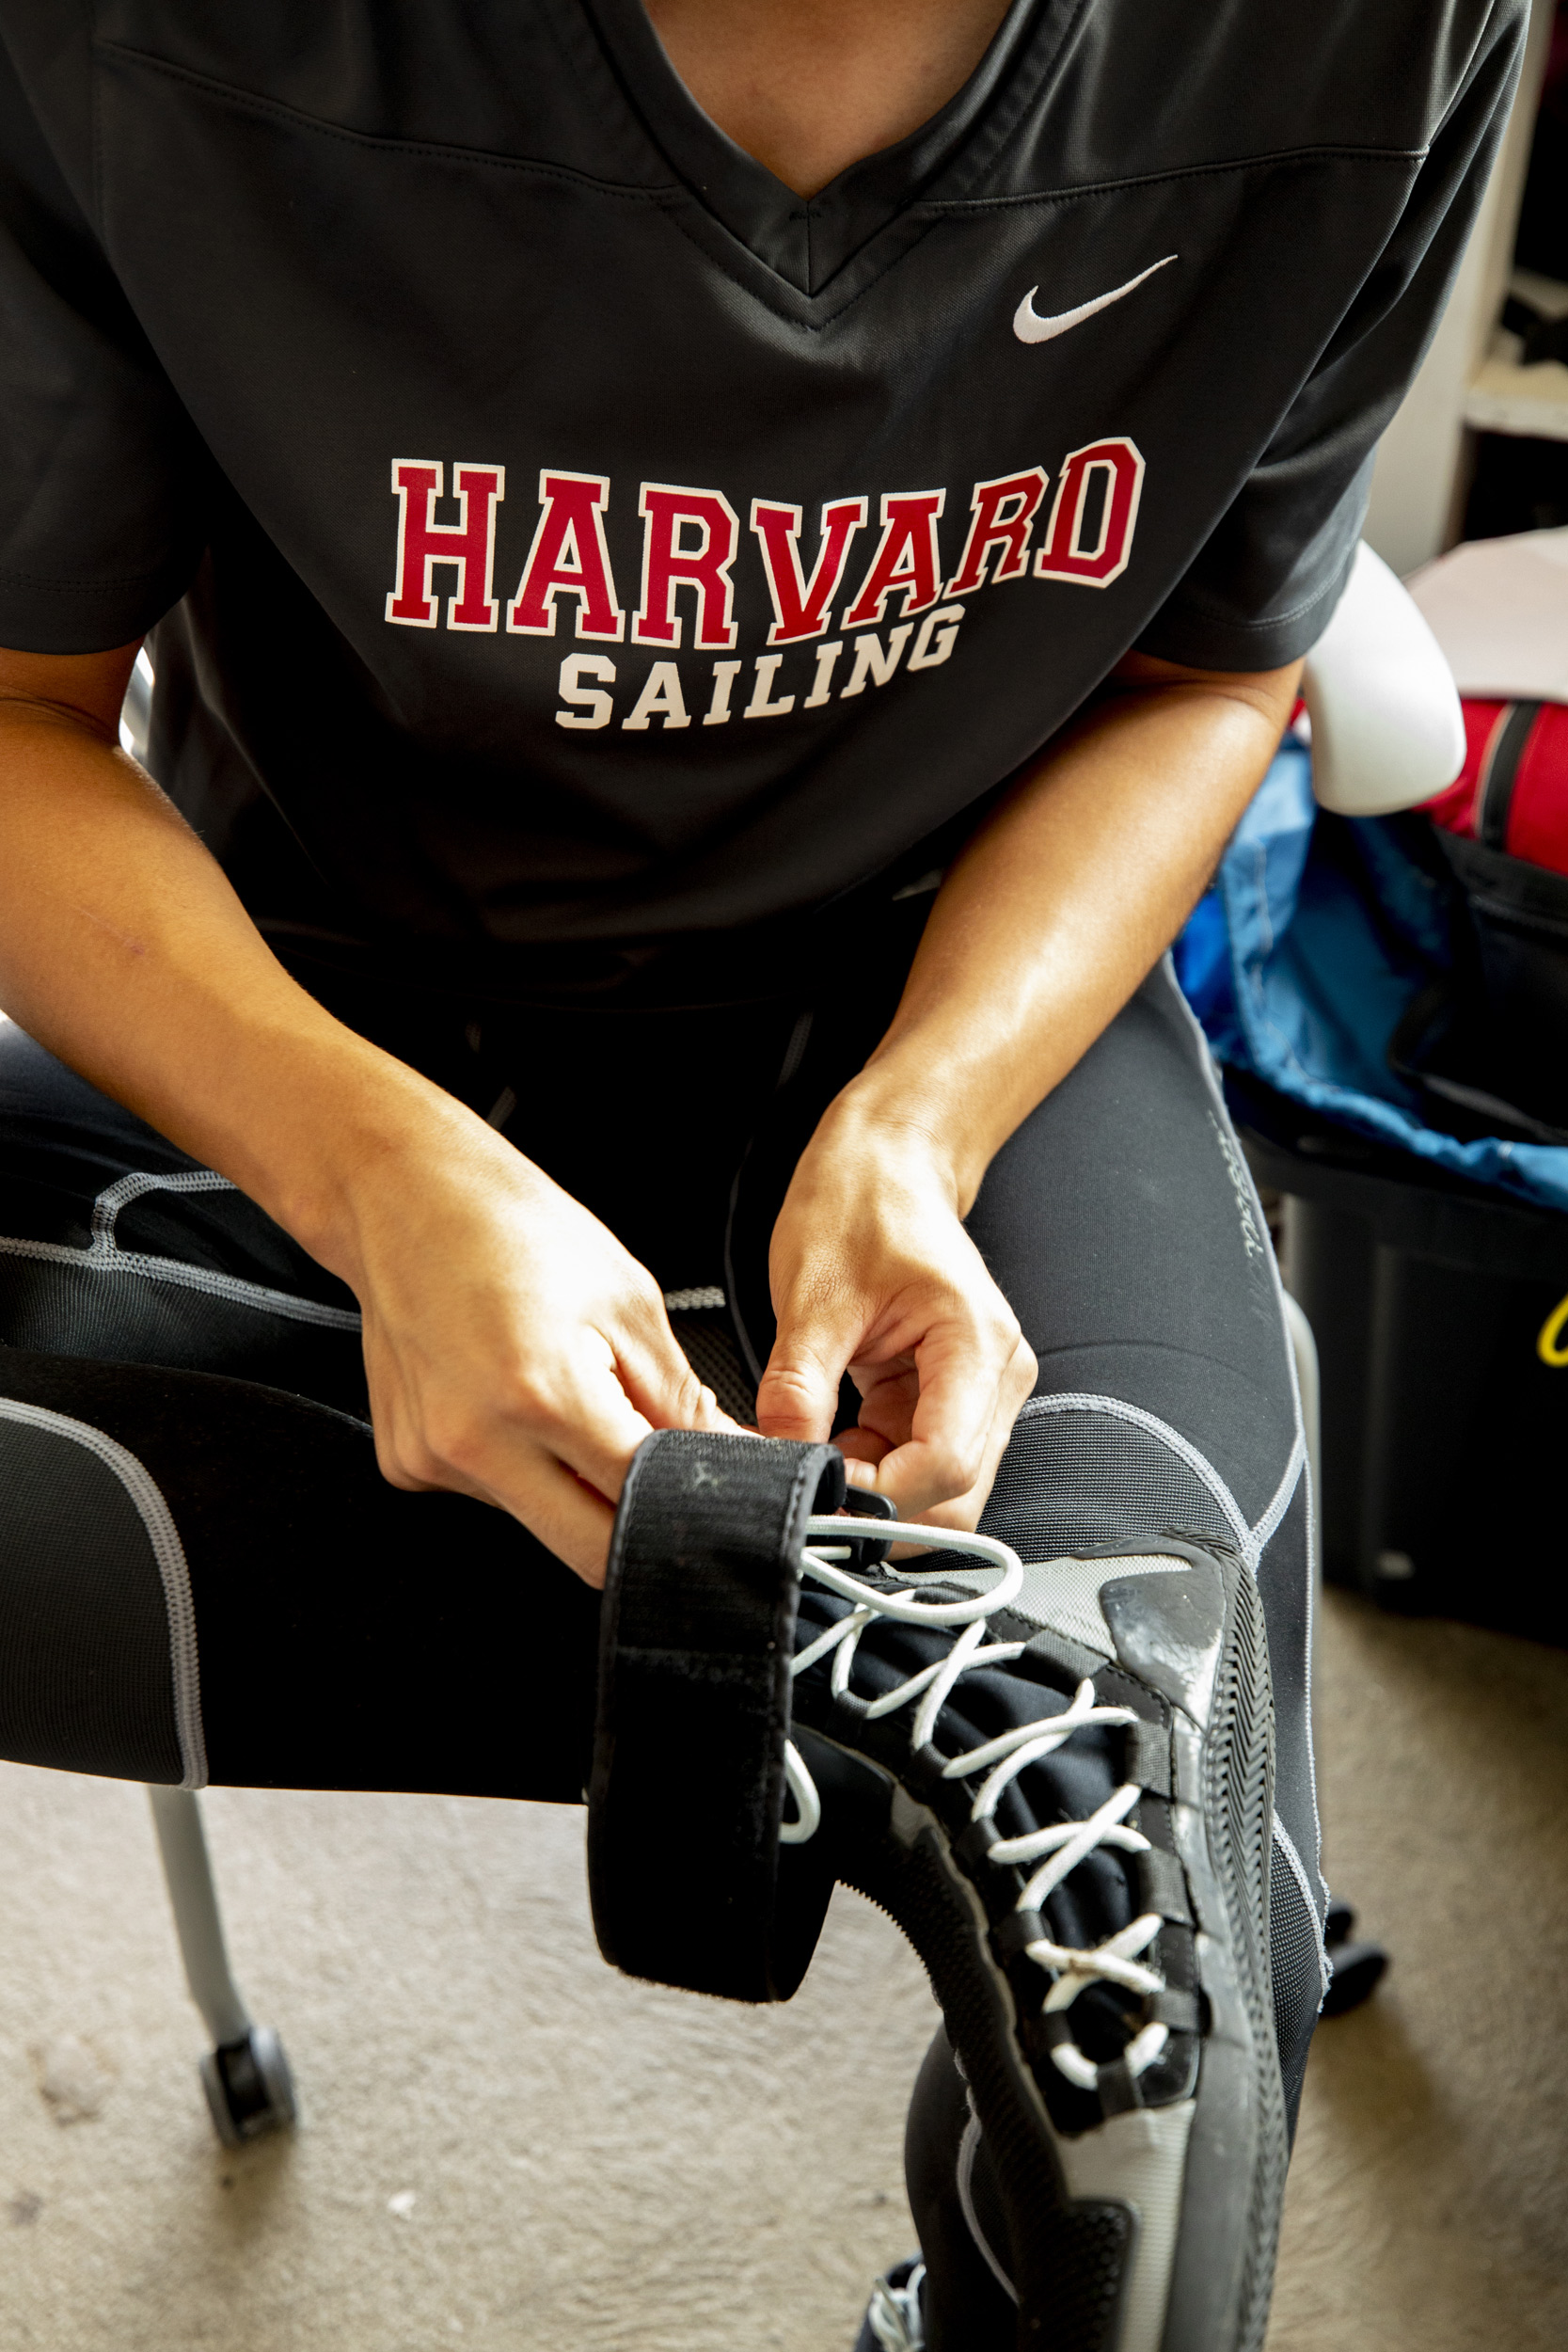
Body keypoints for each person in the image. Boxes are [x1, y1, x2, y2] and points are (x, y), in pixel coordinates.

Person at [0, 2, 1526, 2344]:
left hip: (949, 994)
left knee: (1163, 2073)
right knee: (1103, 1756)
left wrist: (923, 1109)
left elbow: (1208, 672)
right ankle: (888, 1652)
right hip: (305, 985)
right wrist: (370, 1165)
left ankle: (932, 1683)